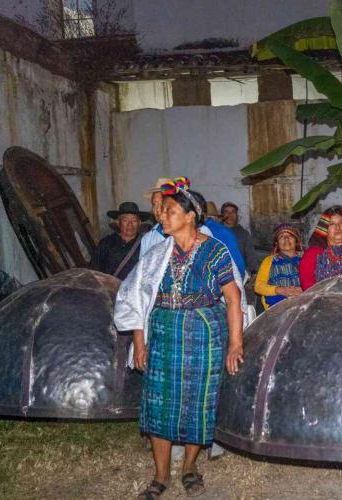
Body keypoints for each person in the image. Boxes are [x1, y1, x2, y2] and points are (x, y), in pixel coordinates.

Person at [114, 177, 246, 499]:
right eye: (163, 211)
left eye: (171, 211)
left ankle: (188, 467)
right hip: (163, 334)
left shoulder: (215, 251)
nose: (163, 215)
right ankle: (160, 476)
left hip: (204, 336)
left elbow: (232, 299)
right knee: (158, 404)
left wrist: (235, 343)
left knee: (196, 404)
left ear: (190, 216)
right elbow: (136, 297)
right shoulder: (157, 254)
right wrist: (139, 341)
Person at [91, 201, 150, 280]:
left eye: (134, 220)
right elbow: (94, 270)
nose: (130, 224)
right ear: (118, 223)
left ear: (139, 223)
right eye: (125, 220)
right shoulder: (106, 243)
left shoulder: (146, 244)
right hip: (109, 290)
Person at [254, 224, 303, 310]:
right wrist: (280, 290)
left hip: (303, 304)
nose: (286, 239)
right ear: (276, 243)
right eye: (281, 237)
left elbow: (315, 283)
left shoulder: (305, 258)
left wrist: (303, 290)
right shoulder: (269, 261)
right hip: (277, 309)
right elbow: (258, 286)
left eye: (290, 236)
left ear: (296, 241)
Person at [221, 202, 258, 275]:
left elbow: (251, 255)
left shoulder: (244, 234)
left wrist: (254, 272)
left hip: (240, 272)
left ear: (237, 215)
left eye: (233, 212)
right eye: (226, 212)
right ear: (222, 215)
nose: (230, 215)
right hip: (220, 272)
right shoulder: (216, 231)